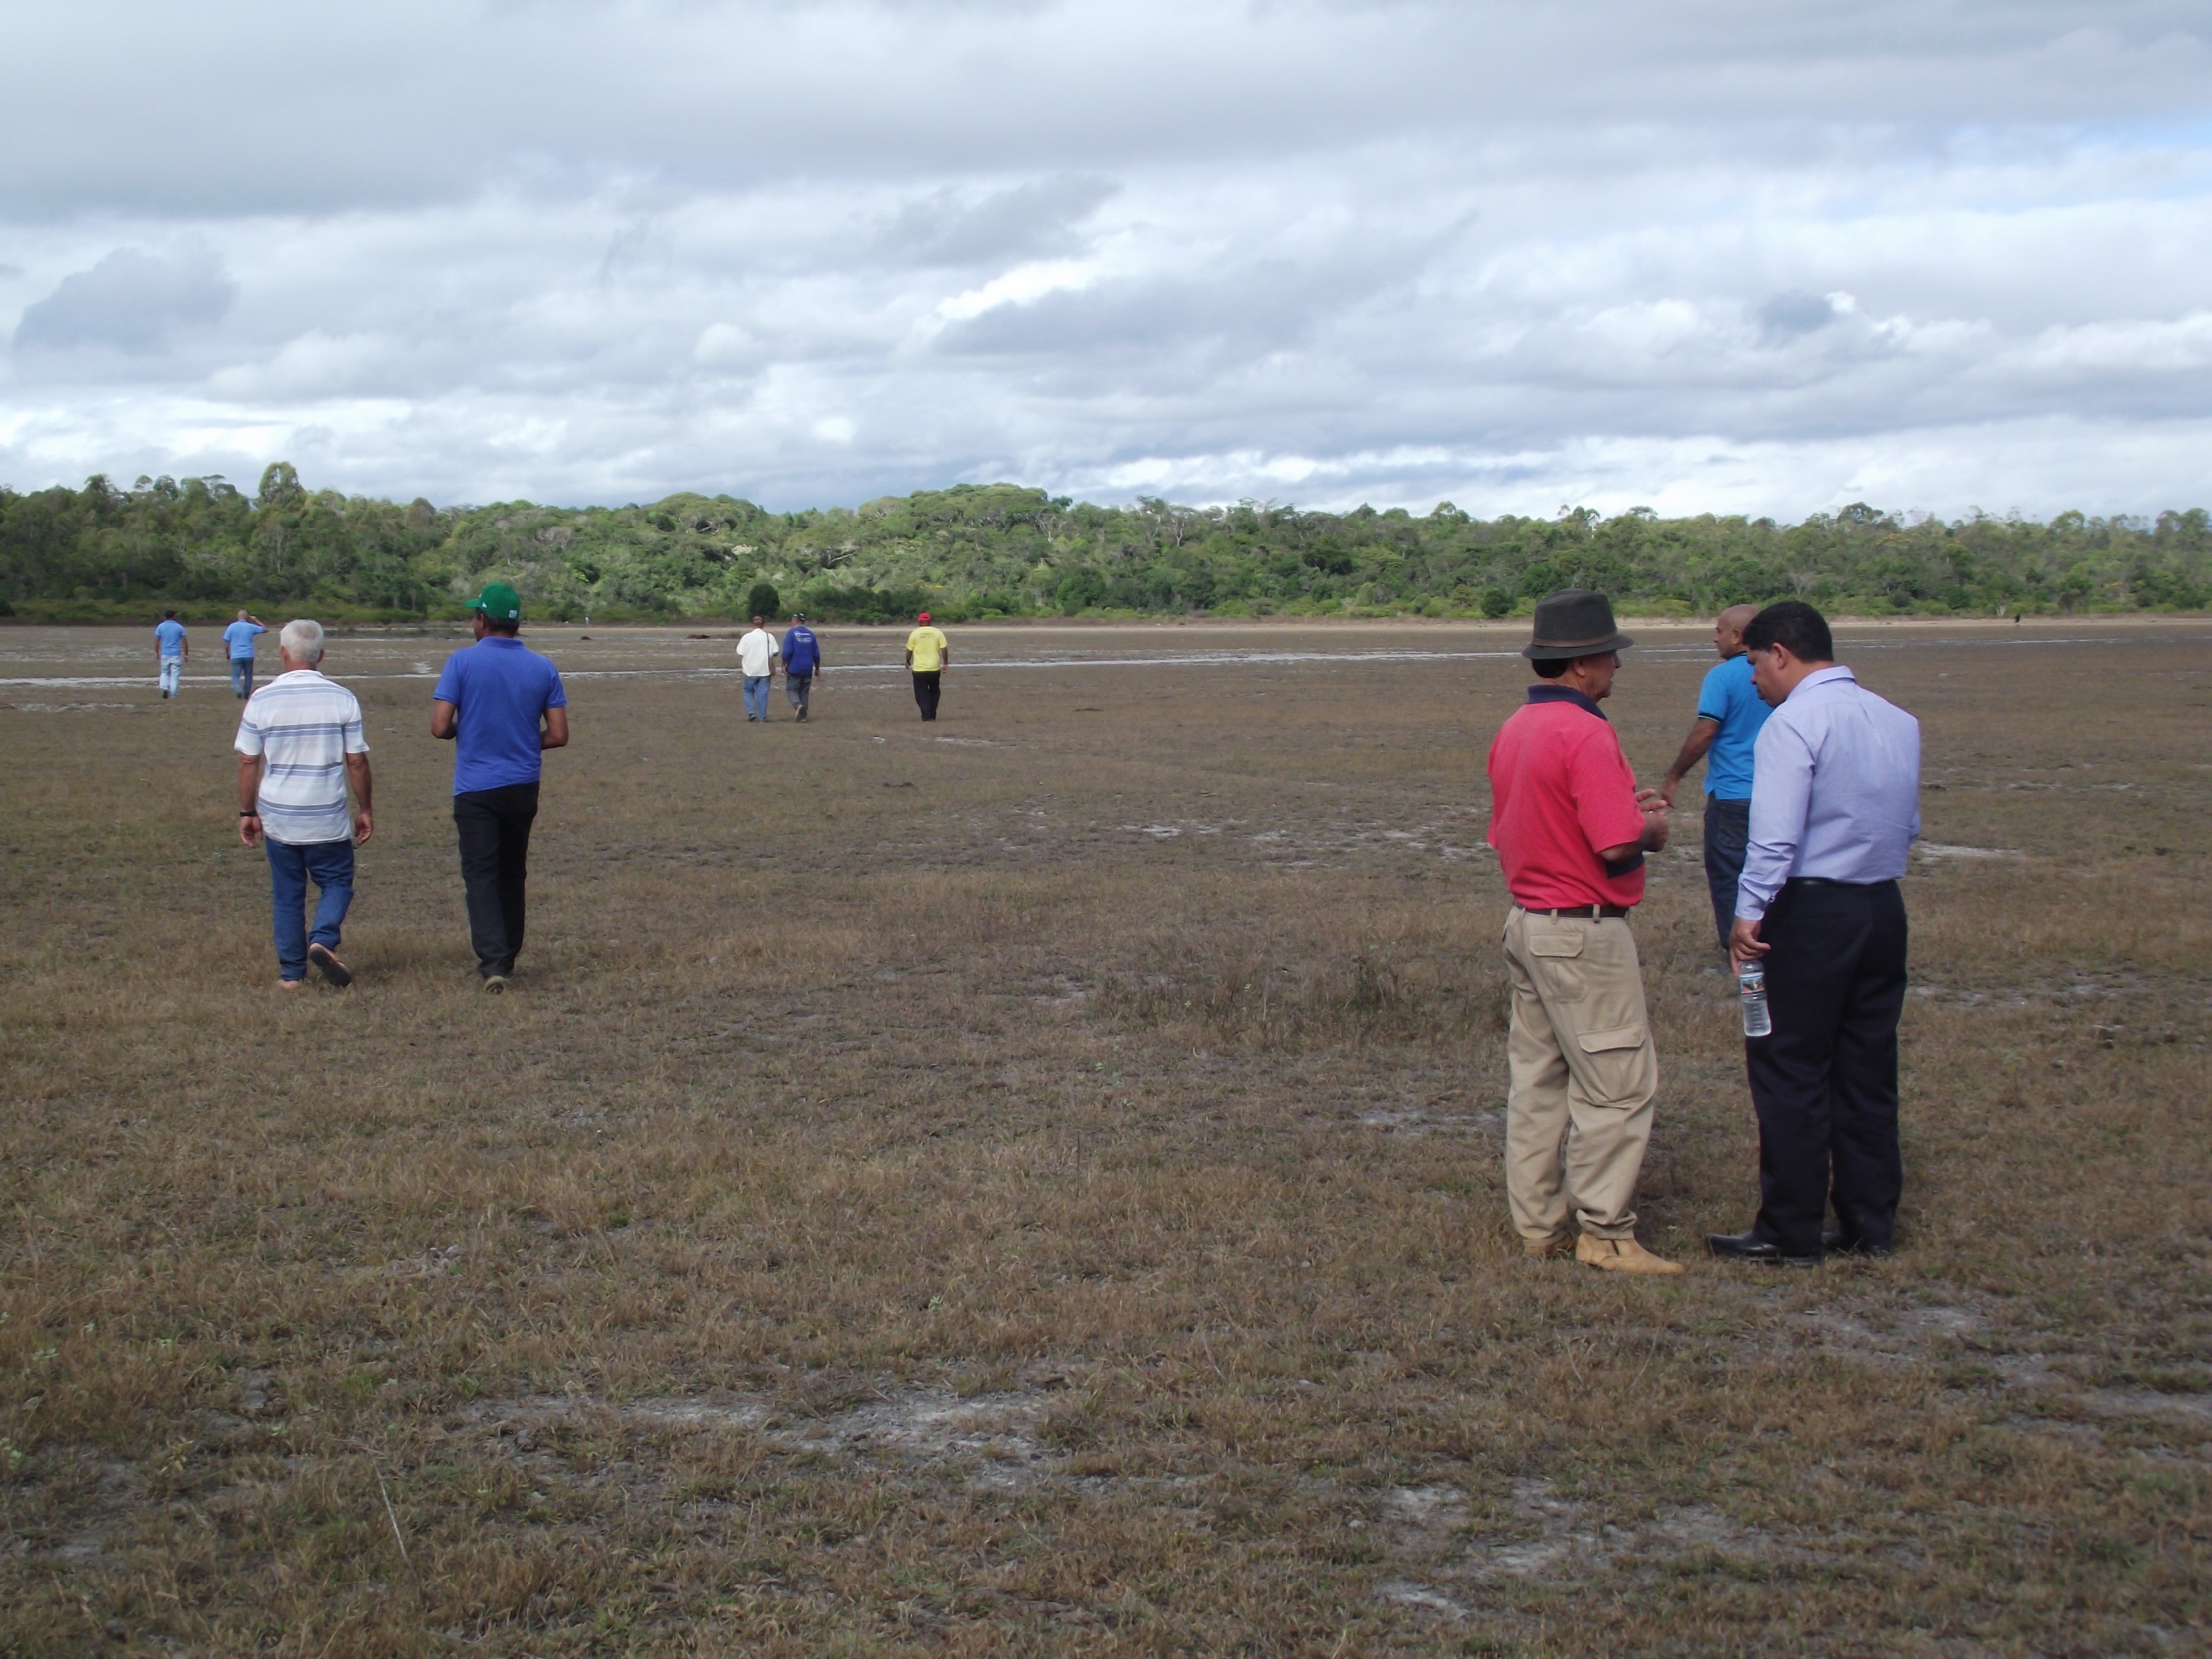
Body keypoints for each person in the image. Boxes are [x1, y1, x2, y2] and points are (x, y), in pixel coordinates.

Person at [1708, 600, 1921, 1267]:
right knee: (1866, 1067)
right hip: (1880, 908)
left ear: (1778, 653)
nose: (1750, 680)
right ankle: (1868, 1223)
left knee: (1788, 1067)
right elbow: (1906, 824)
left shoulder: (1792, 723)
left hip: (1807, 912)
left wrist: (1747, 915)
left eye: (1752, 663)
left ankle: (1789, 1229)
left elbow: (1773, 838)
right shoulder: (1896, 720)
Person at [1485, 590, 1682, 1275]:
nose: (1614, 670)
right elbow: (1615, 845)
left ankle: (1538, 1226)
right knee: (1616, 1085)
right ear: (1578, 665)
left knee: (1538, 1083)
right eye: (1607, 657)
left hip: (1528, 923)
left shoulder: (1516, 727)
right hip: (1582, 931)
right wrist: (1650, 827)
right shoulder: (1587, 731)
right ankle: (1605, 1231)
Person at [431, 582, 569, 992]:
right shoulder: (543, 667)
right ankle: (508, 953)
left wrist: (470, 731)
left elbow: (439, 727)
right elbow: (559, 734)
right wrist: (524, 739)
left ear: (482, 621)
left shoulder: (461, 663)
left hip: (475, 786)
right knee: (513, 871)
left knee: (481, 873)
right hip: (523, 784)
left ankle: (493, 961)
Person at [235, 620, 372, 990]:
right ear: (322, 655)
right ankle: (323, 939)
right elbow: (356, 761)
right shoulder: (342, 698)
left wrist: (248, 813)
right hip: (326, 813)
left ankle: (291, 975)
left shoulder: (261, 699)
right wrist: (366, 809)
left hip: (279, 815)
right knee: (337, 881)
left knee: (288, 894)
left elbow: (250, 762)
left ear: (282, 653)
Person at [1659, 604, 1770, 952]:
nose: (1714, 636)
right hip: (1778, 794)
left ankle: (1740, 953)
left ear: (1738, 637)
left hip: (1733, 794)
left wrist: (1674, 775)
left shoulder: (1721, 677)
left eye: (1720, 630)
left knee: (1729, 877)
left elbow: (1707, 730)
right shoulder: (1780, 675)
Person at [905, 611, 949, 721]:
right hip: (934, 668)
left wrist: (907, 661)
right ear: (930, 621)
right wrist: (945, 663)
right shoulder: (938, 632)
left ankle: (927, 715)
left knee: (921, 693)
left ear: (919, 622)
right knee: (935, 691)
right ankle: (931, 713)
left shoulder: (915, 634)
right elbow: (944, 649)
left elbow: (909, 650)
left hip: (919, 670)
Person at [737, 615, 779, 722]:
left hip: (750, 670)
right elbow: (775, 652)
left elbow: (740, 652)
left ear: (753, 625)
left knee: (748, 691)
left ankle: (751, 712)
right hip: (765, 670)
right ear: (763, 625)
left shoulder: (747, 637)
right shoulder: (769, 637)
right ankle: (762, 717)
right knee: (763, 695)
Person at [782, 612, 822, 721]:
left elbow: (787, 652)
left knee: (791, 690)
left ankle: (798, 706)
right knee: (804, 692)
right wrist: (817, 669)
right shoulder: (811, 634)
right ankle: (803, 717)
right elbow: (817, 655)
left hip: (795, 667)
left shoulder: (791, 633)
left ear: (795, 621)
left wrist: (784, 664)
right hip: (808, 668)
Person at [222, 609, 268, 699]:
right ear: (248, 618)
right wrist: (256, 620)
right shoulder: (250, 627)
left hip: (236, 655)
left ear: (238, 616)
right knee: (248, 675)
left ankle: (238, 690)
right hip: (249, 655)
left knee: (235, 675)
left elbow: (226, 641)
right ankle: (246, 693)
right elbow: (265, 629)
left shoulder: (232, 627)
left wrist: (227, 653)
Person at [154, 610, 188, 699]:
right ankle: (173, 693)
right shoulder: (179, 627)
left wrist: (157, 652)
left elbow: (157, 640)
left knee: (165, 672)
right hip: (176, 654)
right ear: (174, 616)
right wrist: (186, 654)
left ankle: (164, 687)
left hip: (165, 654)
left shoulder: (161, 626)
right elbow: (184, 642)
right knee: (175, 675)